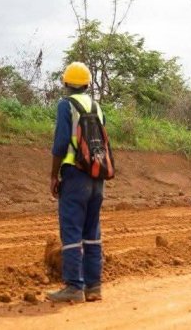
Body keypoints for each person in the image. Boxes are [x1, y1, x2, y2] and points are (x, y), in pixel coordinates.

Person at [48, 62, 106, 303]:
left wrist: (54, 175)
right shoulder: (97, 107)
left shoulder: (66, 105)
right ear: (87, 84)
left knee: (71, 230)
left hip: (74, 175)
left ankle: (74, 287)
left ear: (66, 83)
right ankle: (94, 287)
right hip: (97, 176)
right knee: (92, 231)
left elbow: (61, 144)